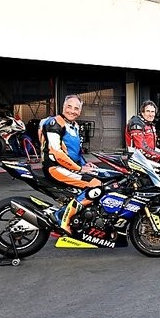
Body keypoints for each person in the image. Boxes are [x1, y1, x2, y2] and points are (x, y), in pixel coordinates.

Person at [40, 94, 102, 234]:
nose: (72, 111)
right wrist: (80, 169)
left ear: (80, 111)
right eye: (69, 107)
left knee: (101, 178)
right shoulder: (54, 123)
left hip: (70, 168)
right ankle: (64, 218)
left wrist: (87, 165)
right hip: (55, 168)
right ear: (63, 107)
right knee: (95, 186)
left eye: (76, 108)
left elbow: (77, 153)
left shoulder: (74, 126)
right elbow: (57, 152)